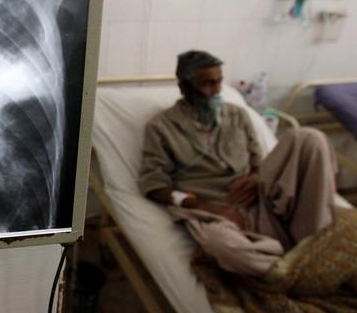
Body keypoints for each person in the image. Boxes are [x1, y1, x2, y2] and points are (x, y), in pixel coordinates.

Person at [138, 51, 338, 275]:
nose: (216, 90)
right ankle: (287, 268)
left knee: (309, 138)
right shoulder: (161, 128)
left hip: (260, 197)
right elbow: (153, 184)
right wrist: (204, 206)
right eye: (207, 84)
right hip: (214, 210)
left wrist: (255, 177)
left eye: (219, 82)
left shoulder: (238, 115)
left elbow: (258, 163)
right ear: (184, 87)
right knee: (224, 246)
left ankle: (313, 245)